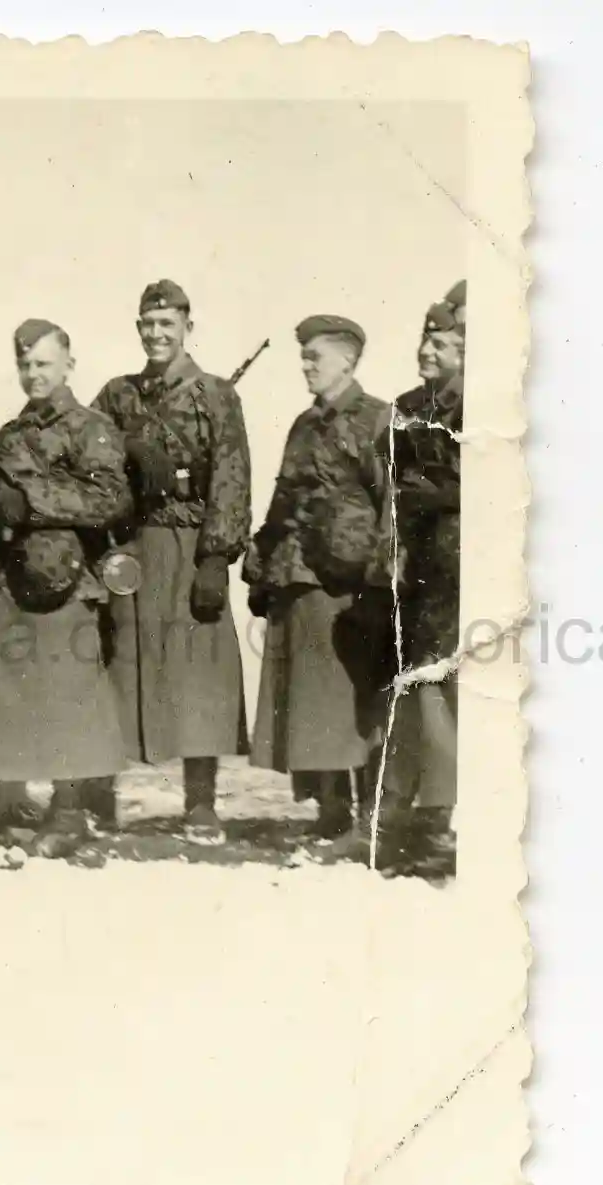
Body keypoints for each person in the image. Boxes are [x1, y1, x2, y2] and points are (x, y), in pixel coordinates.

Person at [0, 319, 129, 859]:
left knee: (71, 696)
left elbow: (109, 498)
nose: (33, 373)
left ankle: (67, 815)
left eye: (42, 363)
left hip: (66, 578)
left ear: (68, 364)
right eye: (25, 364)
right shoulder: (11, 433)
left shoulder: (93, 427)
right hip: (8, 576)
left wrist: (29, 497)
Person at [89, 279, 251, 844]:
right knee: (120, 664)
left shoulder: (215, 394)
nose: (157, 334)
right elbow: (85, 451)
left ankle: (200, 804)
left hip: (189, 543)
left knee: (197, 671)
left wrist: (216, 558)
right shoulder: (117, 395)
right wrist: (127, 449)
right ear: (138, 328)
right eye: (148, 324)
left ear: (187, 327)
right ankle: (98, 798)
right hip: (133, 545)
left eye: (168, 324)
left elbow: (231, 476)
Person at [243, 314, 395, 847]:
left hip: (347, 586)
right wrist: (261, 564)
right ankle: (331, 810)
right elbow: (283, 500)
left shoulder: (378, 420)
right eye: (303, 356)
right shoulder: (304, 425)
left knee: (353, 704)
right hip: (298, 580)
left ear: (348, 361)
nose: (306, 366)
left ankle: (371, 816)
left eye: (316, 357)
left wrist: (379, 586)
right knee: (312, 703)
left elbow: (391, 509)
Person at [373, 280, 464, 867]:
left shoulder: (483, 403)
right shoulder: (408, 406)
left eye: (443, 342)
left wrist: (432, 492)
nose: (427, 350)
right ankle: (412, 820)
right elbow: (389, 479)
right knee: (418, 688)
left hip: (465, 566)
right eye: (425, 339)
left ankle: (439, 822)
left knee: (446, 690)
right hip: (419, 568)